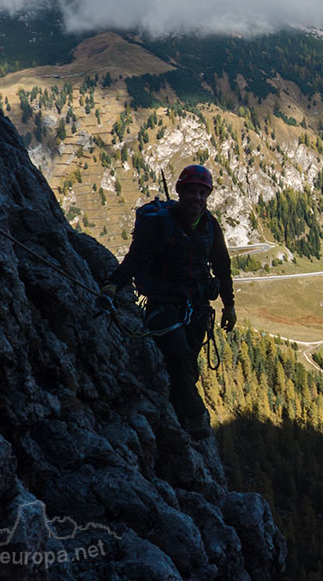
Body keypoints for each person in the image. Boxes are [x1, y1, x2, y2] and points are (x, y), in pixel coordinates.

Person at [101, 164, 236, 440]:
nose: (197, 198)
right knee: (177, 356)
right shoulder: (161, 224)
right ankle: (196, 415)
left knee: (186, 366)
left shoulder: (210, 226)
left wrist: (229, 305)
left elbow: (222, 266)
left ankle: (176, 423)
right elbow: (136, 259)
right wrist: (114, 284)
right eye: (191, 192)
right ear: (180, 192)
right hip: (163, 306)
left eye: (202, 193)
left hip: (196, 310)